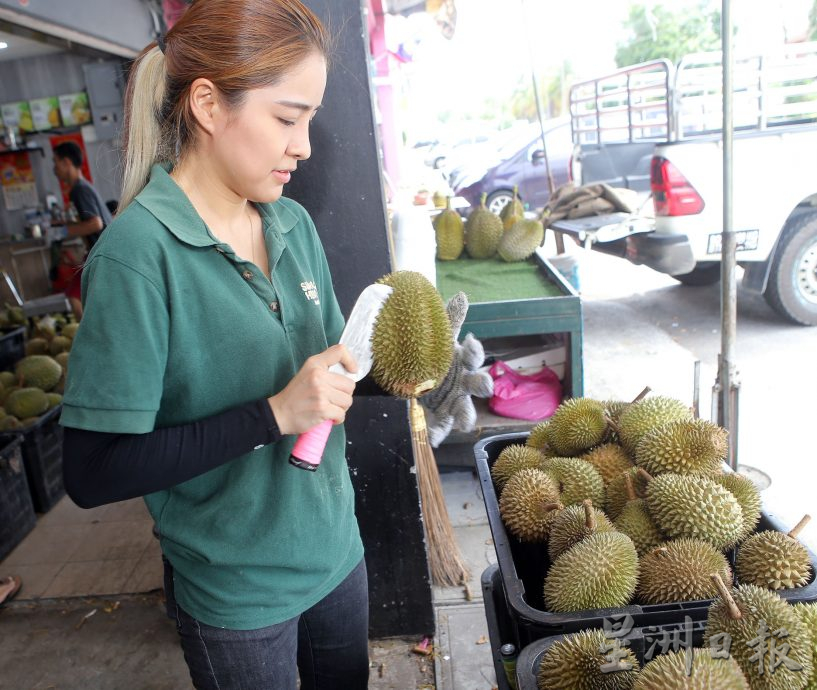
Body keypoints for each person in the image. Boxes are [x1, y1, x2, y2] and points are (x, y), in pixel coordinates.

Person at [59, 2, 370, 688]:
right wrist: (273, 416)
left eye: (309, 121)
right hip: (238, 598)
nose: (304, 145)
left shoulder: (291, 223)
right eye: (287, 118)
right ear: (206, 104)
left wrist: (400, 359)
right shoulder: (136, 259)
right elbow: (91, 471)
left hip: (336, 555)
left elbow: (327, 377)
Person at [51, 141, 113, 320]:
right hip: (102, 254)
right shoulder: (83, 187)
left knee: (74, 296)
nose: (54, 169)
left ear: (66, 162)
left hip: (103, 254)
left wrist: (64, 232)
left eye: (55, 162)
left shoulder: (79, 189)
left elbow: (95, 224)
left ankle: (88, 341)